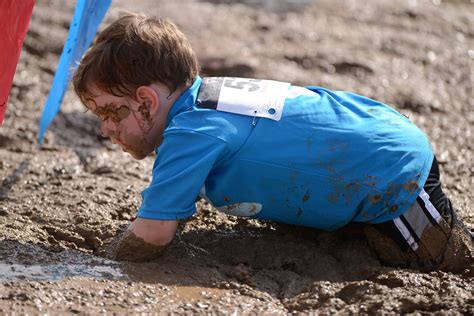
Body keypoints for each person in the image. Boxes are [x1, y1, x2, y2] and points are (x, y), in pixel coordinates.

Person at [72, 12, 472, 273]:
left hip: (390, 175)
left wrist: (95, 263)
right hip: (377, 133)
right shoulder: (211, 96)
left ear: (146, 101)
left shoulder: (190, 132)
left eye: (111, 113)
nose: (106, 130)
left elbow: (153, 233)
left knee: (449, 262)